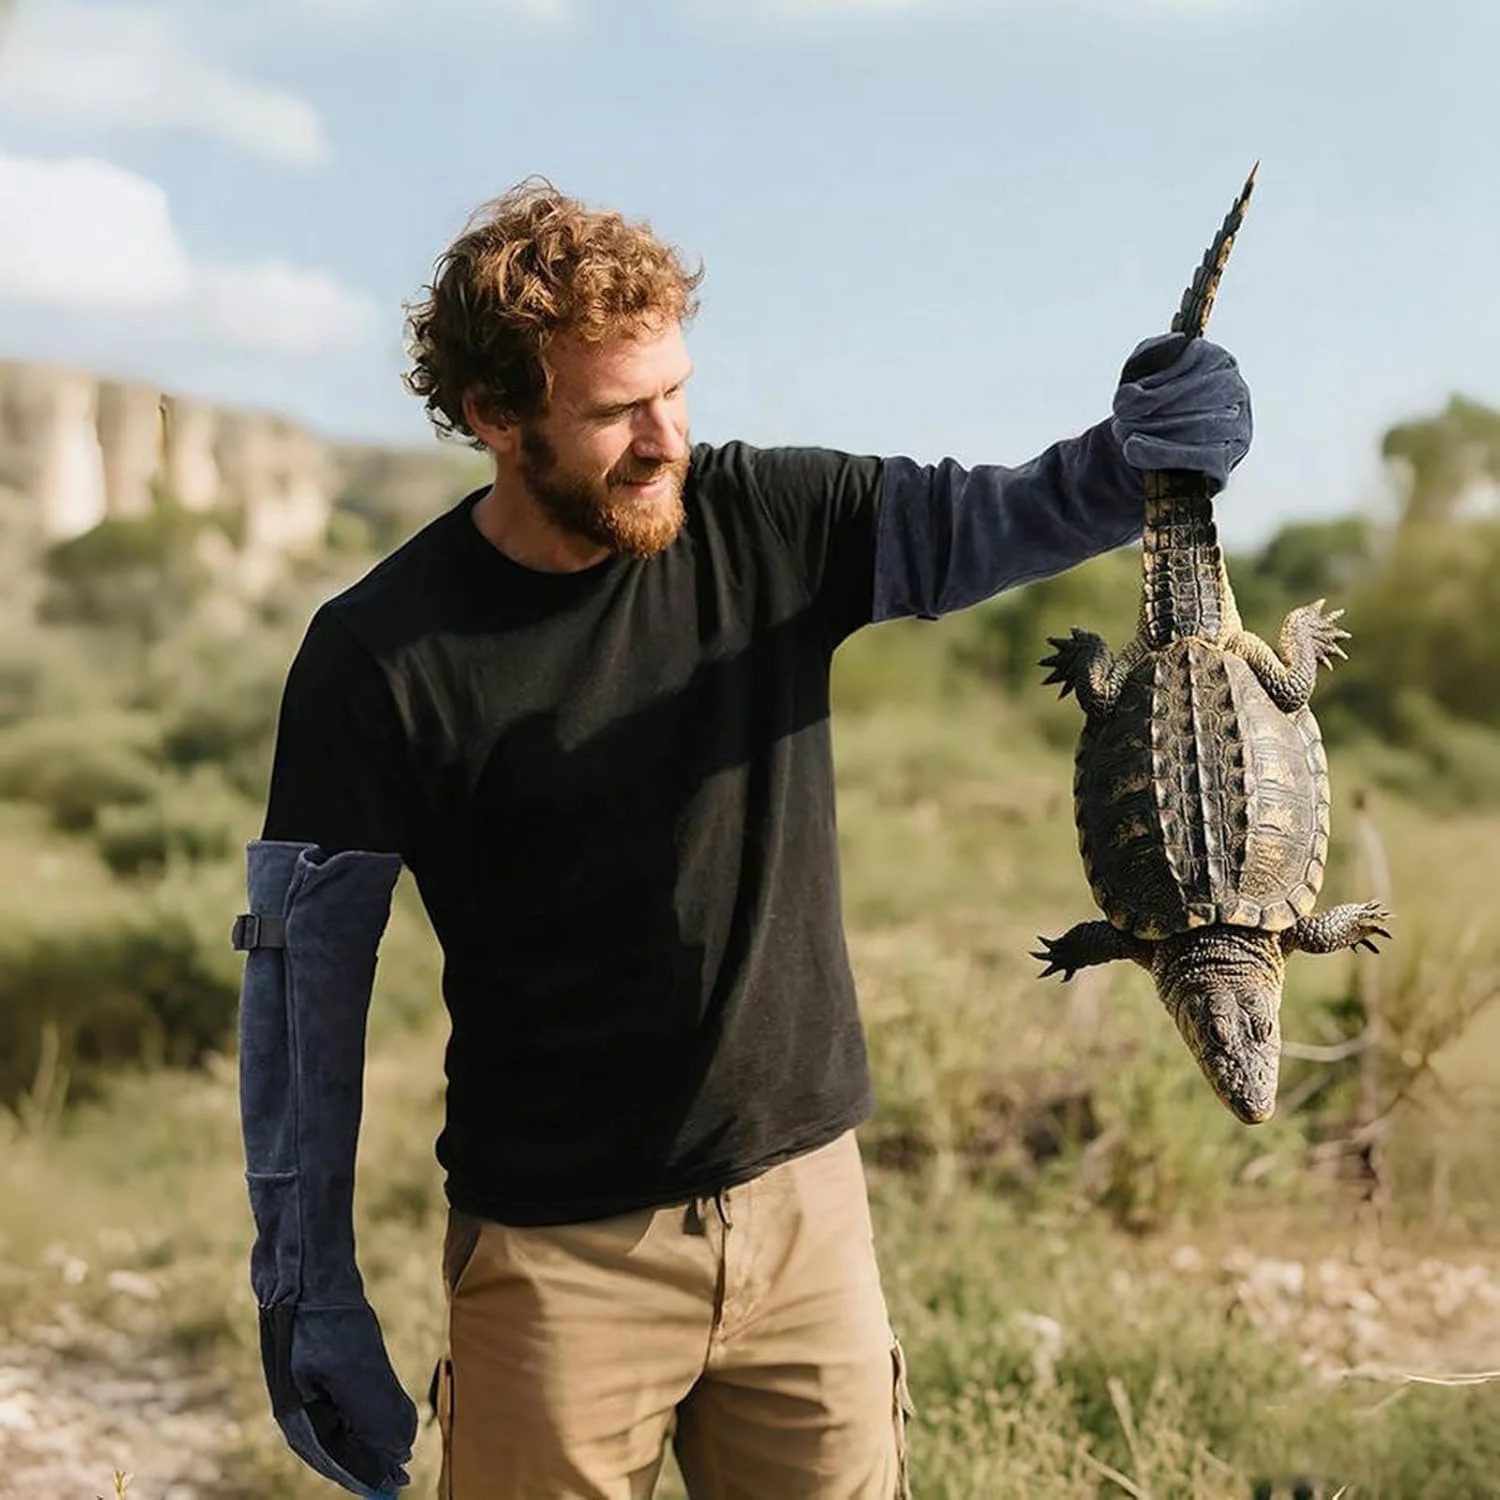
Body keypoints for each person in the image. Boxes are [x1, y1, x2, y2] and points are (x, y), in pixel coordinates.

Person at [232, 178, 1253, 1500]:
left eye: (677, 390)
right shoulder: (374, 657)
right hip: (557, 1271)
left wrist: (1140, 460)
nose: (668, 440)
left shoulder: (766, 522)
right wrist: (305, 1286)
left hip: (805, 1222)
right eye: (614, 412)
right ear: (493, 417)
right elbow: (304, 993)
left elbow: (996, 518)